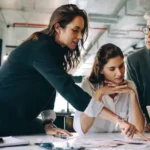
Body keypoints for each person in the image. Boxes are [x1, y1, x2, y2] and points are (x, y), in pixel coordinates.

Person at [0, 4, 142, 137]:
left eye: (81, 31)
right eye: (75, 30)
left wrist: (47, 123)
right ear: (58, 27)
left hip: (20, 121)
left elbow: (51, 87)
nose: (80, 36)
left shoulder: (54, 52)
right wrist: (119, 120)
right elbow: (69, 90)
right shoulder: (40, 49)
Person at [73, 43, 147, 139]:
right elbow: (81, 129)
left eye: (121, 66)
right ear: (101, 70)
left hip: (120, 145)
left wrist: (132, 94)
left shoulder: (130, 86)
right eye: (112, 69)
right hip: (93, 145)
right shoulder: (88, 86)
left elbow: (139, 129)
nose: (119, 73)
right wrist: (99, 93)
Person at [126, 11, 150, 132]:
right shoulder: (134, 60)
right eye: (147, 29)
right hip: (144, 126)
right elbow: (134, 96)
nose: (148, 35)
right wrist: (144, 121)